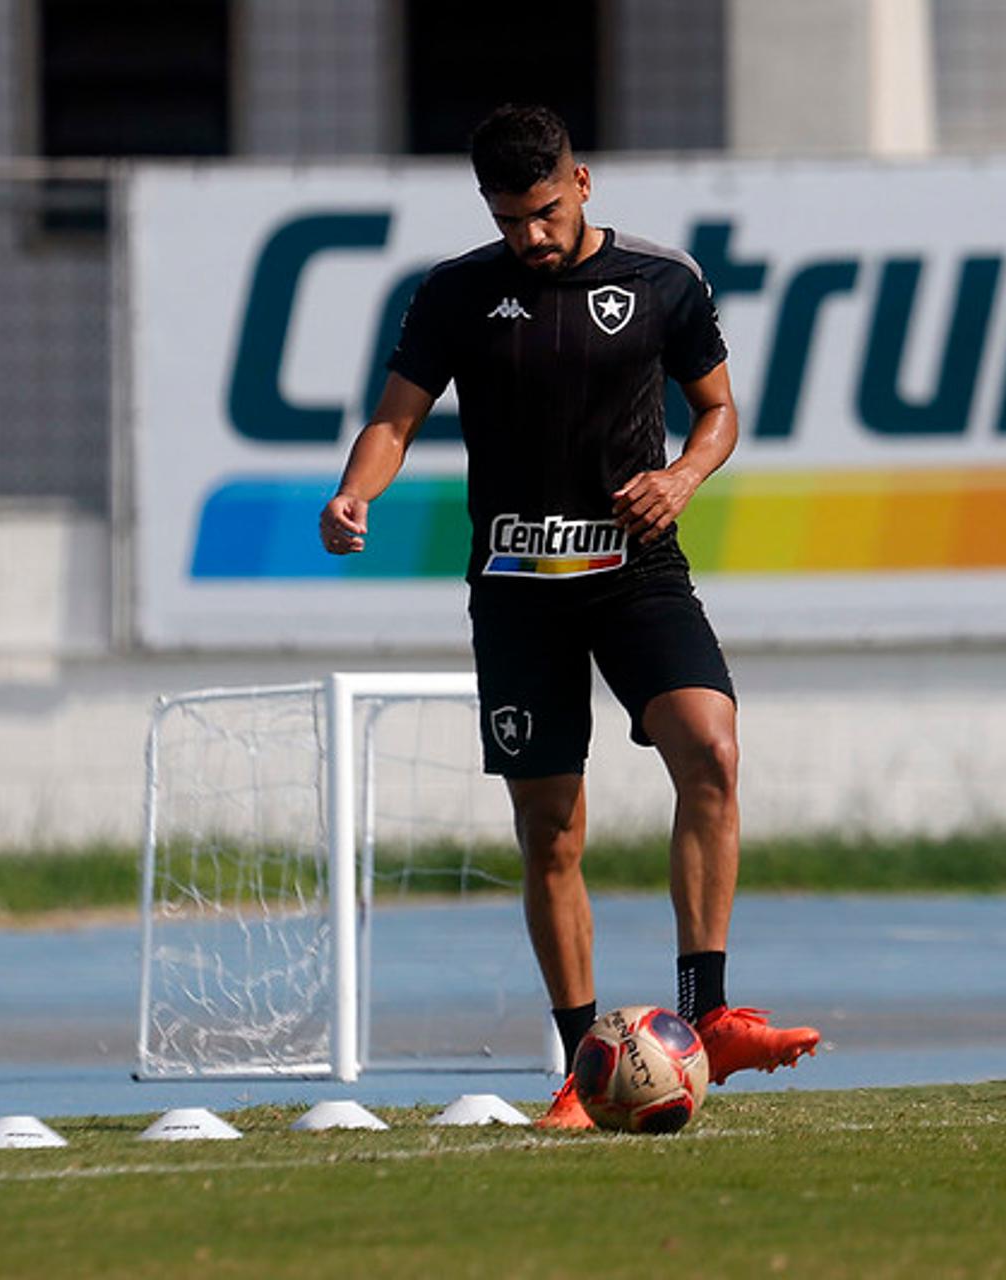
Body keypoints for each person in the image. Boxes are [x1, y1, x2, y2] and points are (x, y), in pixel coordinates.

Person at [318, 104, 818, 1128]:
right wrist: (354, 489)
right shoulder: (455, 294)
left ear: (581, 182)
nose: (530, 238)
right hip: (516, 593)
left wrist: (681, 475)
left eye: (543, 212)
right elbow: (393, 418)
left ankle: (708, 1010)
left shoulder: (661, 281)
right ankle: (581, 1066)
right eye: (508, 221)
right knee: (552, 831)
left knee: (711, 747)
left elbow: (719, 410)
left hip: (637, 569)